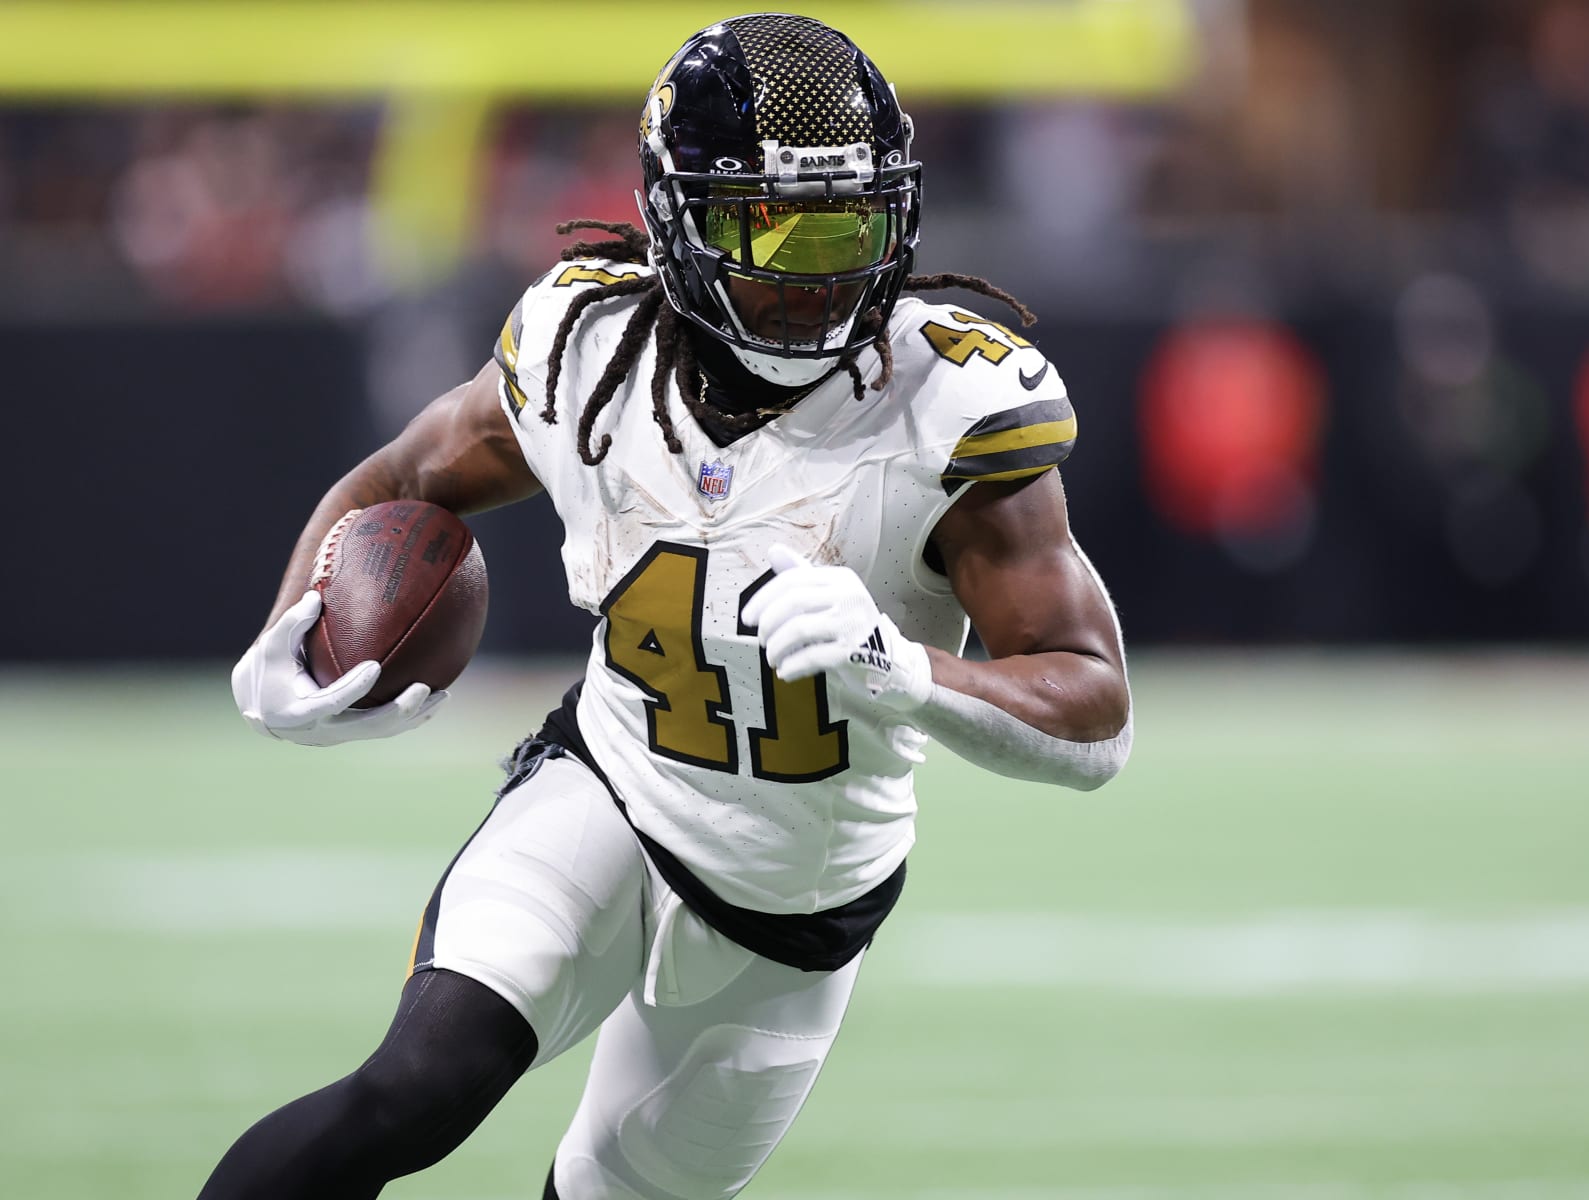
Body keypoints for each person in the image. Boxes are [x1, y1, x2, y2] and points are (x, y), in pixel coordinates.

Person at [201, 13, 1132, 1200]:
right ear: (678, 218)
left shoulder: (947, 405)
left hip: (794, 907)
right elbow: (406, 477)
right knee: (410, 1092)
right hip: (606, 794)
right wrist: (294, 629)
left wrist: (905, 669)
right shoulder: (585, 346)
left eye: (844, 229)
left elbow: (1095, 712)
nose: (815, 278)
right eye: (768, 232)